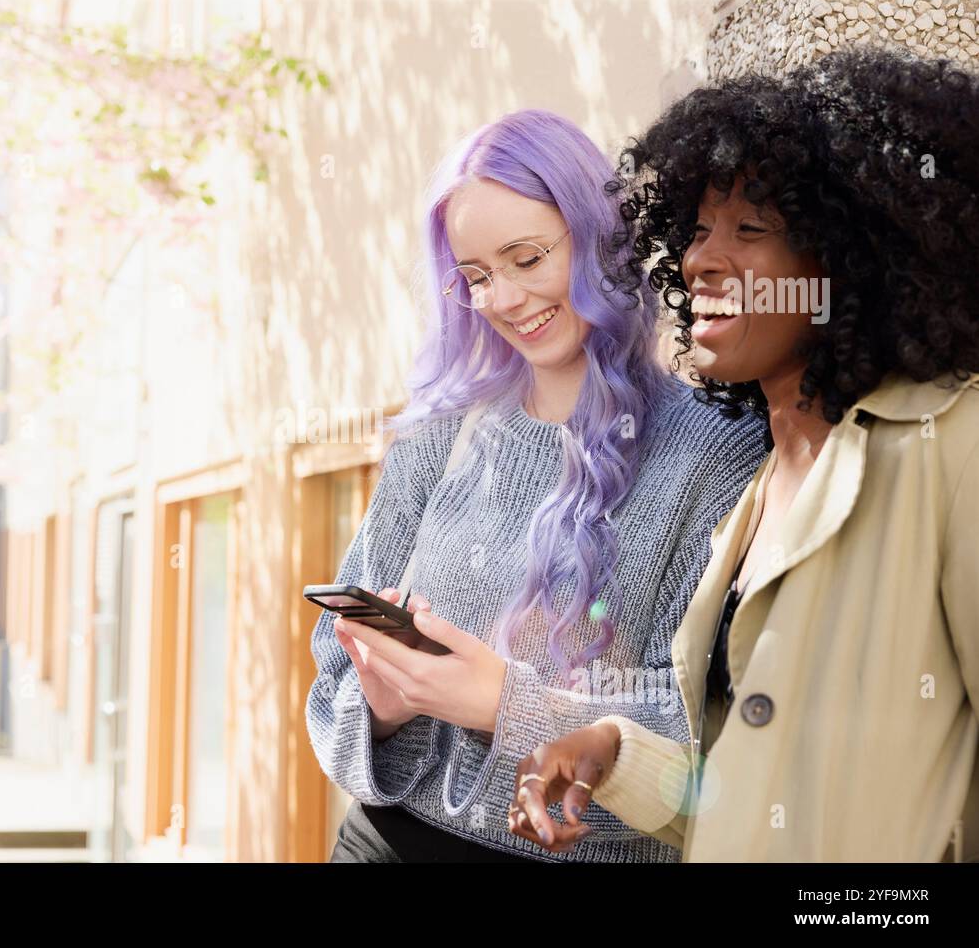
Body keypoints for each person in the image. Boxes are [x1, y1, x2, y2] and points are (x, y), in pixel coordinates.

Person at [509, 47, 979, 862]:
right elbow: (751, 789)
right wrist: (616, 753)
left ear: (847, 260)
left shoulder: (950, 447)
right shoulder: (756, 493)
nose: (700, 260)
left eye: (750, 230)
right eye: (696, 233)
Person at [305, 108, 767, 862]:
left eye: (526, 258)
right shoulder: (439, 433)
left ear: (597, 237)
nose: (503, 300)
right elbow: (330, 673)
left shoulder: (715, 449)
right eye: (477, 277)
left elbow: (702, 731)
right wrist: (383, 706)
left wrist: (502, 703)